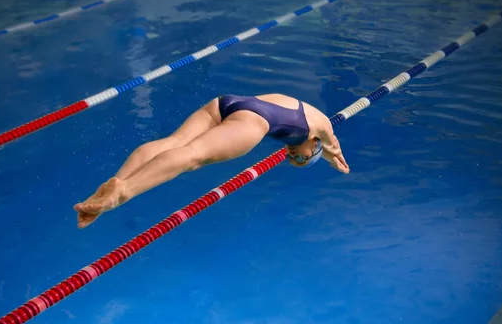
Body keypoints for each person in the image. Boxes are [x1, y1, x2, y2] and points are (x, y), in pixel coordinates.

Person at [74, 93, 349, 229]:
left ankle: (118, 181)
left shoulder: (312, 124)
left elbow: (324, 148)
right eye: (300, 157)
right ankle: (123, 193)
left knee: (173, 142)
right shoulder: (322, 128)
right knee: (193, 157)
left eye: (293, 159)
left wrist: (325, 156)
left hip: (226, 103)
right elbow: (332, 145)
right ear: (314, 145)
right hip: (254, 121)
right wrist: (334, 158)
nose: (292, 153)